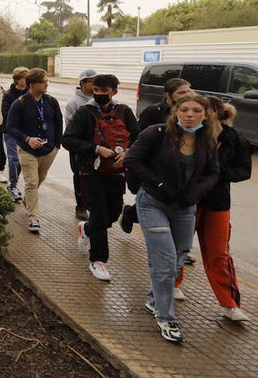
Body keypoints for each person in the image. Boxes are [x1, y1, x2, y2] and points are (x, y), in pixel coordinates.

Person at [125, 92, 219, 344]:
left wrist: (197, 191)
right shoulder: (156, 133)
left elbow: (213, 172)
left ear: (205, 115)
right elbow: (132, 159)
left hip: (185, 208)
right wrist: (159, 184)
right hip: (153, 203)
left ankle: (153, 299)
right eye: (185, 109)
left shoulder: (206, 139)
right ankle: (166, 318)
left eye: (196, 111)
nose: (190, 115)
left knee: (178, 256)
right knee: (165, 262)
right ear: (176, 111)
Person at [176, 95, 253, 322]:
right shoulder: (190, 135)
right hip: (188, 200)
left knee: (219, 253)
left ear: (215, 113)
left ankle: (230, 304)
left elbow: (243, 171)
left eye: (200, 110)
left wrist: (216, 171)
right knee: (178, 247)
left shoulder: (235, 139)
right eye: (191, 111)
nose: (194, 115)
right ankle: (170, 284)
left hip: (218, 202)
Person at [61, 74, 139, 281]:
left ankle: (86, 229)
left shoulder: (124, 111)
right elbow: (67, 140)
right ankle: (98, 260)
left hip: (116, 172)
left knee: (113, 214)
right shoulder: (84, 112)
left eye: (104, 91)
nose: (99, 95)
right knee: (99, 216)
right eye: (96, 91)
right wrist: (96, 149)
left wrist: (127, 153)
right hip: (91, 172)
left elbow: (138, 137)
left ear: (114, 91)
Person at [122, 77, 194, 234]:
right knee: (153, 202)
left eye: (189, 91)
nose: (187, 95)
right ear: (168, 95)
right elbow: (137, 140)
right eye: (182, 92)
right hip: (153, 169)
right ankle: (132, 214)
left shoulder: (192, 112)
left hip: (178, 169)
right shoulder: (153, 112)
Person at [5, 68, 63, 233]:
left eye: (47, 81)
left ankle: (28, 200)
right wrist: (27, 139)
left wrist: (57, 145)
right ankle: (34, 218)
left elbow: (59, 123)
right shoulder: (20, 103)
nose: (46, 84)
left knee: (39, 179)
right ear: (32, 84)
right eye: (43, 82)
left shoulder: (51, 101)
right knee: (31, 182)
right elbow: (10, 127)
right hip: (27, 150)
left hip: (48, 150)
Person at [64, 68, 98, 221]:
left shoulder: (99, 99)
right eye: (92, 81)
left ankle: (93, 205)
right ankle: (81, 206)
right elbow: (70, 128)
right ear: (83, 83)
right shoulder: (74, 103)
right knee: (80, 176)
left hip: (97, 146)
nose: (95, 84)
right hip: (79, 146)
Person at [2, 67, 29, 202]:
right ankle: (13, 186)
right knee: (13, 159)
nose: (27, 81)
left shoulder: (30, 93)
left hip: (25, 133)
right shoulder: (8, 95)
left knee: (21, 161)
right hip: (11, 132)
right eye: (24, 78)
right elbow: (6, 113)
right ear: (17, 80)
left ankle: (13, 182)